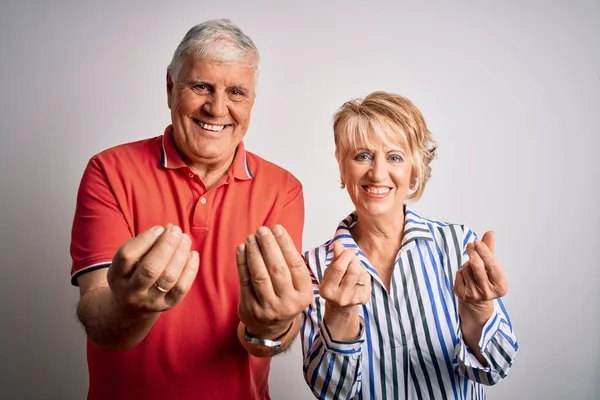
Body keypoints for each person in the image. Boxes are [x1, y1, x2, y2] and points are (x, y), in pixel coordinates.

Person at [70, 19, 313, 400]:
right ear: (170, 88)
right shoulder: (109, 171)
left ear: (251, 102)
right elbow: (101, 324)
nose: (218, 108)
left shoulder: (283, 190)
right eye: (201, 86)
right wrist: (130, 309)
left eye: (236, 92)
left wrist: (271, 326)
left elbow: (264, 341)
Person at [301, 91, 518, 399]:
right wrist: (339, 314)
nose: (377, 173)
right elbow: (332, 392)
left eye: (394, 157)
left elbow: (495, 368)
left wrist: (478, 310)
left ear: (414, 169)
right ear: (341, 167)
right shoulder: (313, 267)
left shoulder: (457, 245)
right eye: (362, 155)